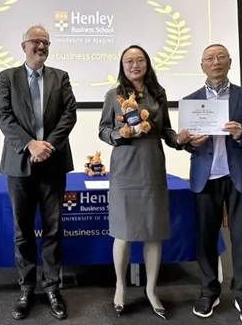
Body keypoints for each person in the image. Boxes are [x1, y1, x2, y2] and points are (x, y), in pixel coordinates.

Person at [98, 44, 188, 320]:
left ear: (147, 64)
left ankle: (151, 290)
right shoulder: (113, 95)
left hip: (152, 167)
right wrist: (120, 134)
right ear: (122, 66)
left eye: (139, 60)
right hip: (125, 168)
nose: (134, 65)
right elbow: (103, 130)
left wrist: (179, 140)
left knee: (153, 231)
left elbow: (166, 131)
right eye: (129, 61)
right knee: (123, 232)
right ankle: (120, 286)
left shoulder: (158, 94)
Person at [0, 25, 77, 321]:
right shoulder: (8, 77)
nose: (41, 47)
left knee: (53, 229)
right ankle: (26, 288)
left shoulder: (60, 77)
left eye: (45, 43)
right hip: (19, 164)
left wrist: (47, 146)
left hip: (53, 163)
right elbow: (4, 116)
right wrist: (30, 144)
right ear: (24, 46)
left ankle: (52, 288)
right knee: (23, 230)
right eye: (35, 42)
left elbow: (70, 114)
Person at [181, 44, 242, 325]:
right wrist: (190, 143)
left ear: (230, 62)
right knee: (205, 237)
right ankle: (209, 290)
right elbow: (186, 145)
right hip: (205, 178)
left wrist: (241, 134)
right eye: (209, 58)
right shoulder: (191, 101)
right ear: (202, 65)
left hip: (239, 175)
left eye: (221, 57)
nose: (215, 62)